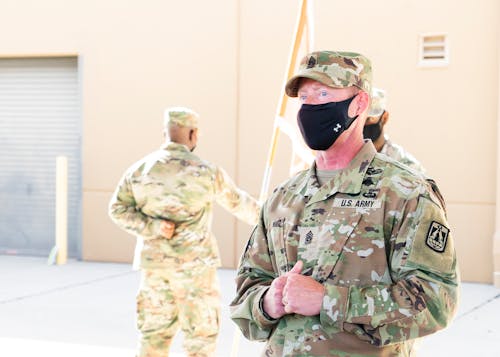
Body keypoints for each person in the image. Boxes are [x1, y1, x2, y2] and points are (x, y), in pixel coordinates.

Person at [230, 51, 459, 356]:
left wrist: (329, 300)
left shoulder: (405, 194)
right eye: (304, 97)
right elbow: (245, 296)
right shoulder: (283, 198)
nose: (310, 107)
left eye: (323, 94)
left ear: (360, 103)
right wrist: (267, 303)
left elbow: (436, 301)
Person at [109, 107, 260, 357]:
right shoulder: (206, 171)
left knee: (153, 338)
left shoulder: (140, 170)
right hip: (196, 270)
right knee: (200, 340)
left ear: (165, 133)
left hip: (156, 269)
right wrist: (271, 216)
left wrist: (153, 227)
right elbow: (240, 205)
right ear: (192, 134)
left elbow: (117, 209)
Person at [364, 88, 426, 173]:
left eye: (369, 119)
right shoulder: (347, 158)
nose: (363, 124)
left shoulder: (407, 166)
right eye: (360, 119)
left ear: (384, 118)